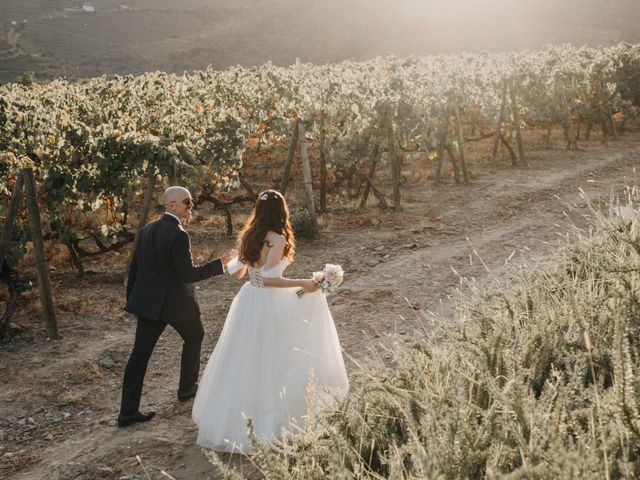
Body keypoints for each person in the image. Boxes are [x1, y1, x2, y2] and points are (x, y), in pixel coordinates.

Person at [192, 189, 349, 452]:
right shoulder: (277, 238)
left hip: (248, 300)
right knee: (276, 356)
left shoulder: (250, 235)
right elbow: (268, 280)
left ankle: (233, 420)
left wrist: (245, 262)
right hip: (267, 301)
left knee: (246, 358)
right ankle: (270, 422)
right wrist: (305, 283)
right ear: (282, 211)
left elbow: (240, 275)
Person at [118, 186, 236, 428]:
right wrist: (221, 263)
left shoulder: (146, 230)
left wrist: (134, 304)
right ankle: (187, 389)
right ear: (170, 205)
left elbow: (135, 270)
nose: (191, 206)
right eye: (187, 202)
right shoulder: (179, 235)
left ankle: (127, 413)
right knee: (195, 336)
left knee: (139, 356)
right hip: (176, 304)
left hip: (149, 306)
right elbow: (189, 275)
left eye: (191, 201)